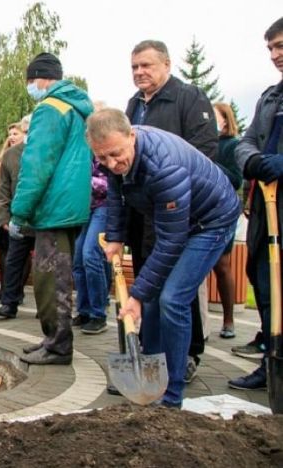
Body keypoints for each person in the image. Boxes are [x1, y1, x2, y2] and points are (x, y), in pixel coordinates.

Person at [93, 109, 239, 408]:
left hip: (212, 220)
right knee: (152, 296)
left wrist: (136, 296)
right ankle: (151, 374)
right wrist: (116, 236)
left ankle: (172, 395)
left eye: (116, 154)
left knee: (172, 299)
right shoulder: (113, 154)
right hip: (179, 220)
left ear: (131, 136)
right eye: (102, 158)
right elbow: (117, 193)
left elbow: (172, 241)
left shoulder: (164, 166)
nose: (111, 163)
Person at [125, 39, 218, 383]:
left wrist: (172, 189)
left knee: (178, 290)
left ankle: (188, 353)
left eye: (146, 65)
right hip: (144, 212)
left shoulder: (188, 98)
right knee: (148, 282)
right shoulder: (134, 105)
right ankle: (153, 354)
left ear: (166, 64)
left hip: (179, 209)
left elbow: (205, 149)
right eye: (134, 67)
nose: (139, 72)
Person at [10, 53, 93, 365]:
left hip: (54, 207)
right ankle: (52, 337)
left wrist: (19, 211)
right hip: (70, 204)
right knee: (58, 275)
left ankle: (58, 345)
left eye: (31, 81)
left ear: (40, 78)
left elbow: (37, 164)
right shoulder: (77, 107)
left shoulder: (50, 108)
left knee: (49, 279)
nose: (30, 87)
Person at [229, 17, 283, 391]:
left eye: (280, 46)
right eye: (271, 48)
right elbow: (246, 141)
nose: (275, 54)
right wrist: (254, 161)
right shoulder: (270, 98)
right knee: (264, 283)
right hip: (267, 204)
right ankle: (272, 361)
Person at [0, 117, 35, 319]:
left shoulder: (48, 151)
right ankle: (9, 303)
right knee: (13, 261)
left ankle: (46, 308)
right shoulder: (10, 155)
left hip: (43, 219)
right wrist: (3, 218)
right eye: (25, 131)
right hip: (18, 219)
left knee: (45, 266)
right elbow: (3, 189)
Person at [209, 102, 243, 339]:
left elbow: (237, 179)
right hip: (202, 208)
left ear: (225, 120)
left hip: (224, 209)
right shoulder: (205, 143)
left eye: (215, 116)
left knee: (222, 265)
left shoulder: (232, 145)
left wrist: (211, 163)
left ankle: (228, 319)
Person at [71, 158, 111, 335]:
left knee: (90, 254)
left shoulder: (102, 152)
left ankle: (98, 314)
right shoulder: (78, 152)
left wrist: (82, 180)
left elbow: (110, 185)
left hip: (103, 206)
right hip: (84, 209)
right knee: (78, 260)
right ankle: (84, 311)